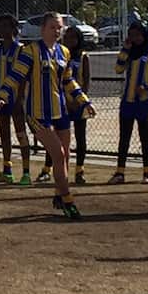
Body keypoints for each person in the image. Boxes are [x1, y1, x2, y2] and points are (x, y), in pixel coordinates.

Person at [0, 11, 94, 219]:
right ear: (43, 29)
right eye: (53, 27)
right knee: (58, 154)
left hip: (60, 111)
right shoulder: (31, 51)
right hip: (38, 114)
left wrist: (84, 101)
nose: (57, 31)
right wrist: (2, 95)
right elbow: (15, 75)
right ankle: (67, 199)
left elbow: (68, 81)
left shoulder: (63, 52)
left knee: (65, 156)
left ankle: (58, 194)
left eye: (60, 27)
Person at [109, 21, 148, 184]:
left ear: (144, 34)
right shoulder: (129, 51)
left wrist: (147, 86)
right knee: (124, 136)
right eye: (132, 35)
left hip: (145, 101)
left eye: (138, 35)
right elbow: (119, 69)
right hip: (128, 100)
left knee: (145, 136)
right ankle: (120, 172)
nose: (135, 38)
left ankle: (147, 173)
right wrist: (125, 49)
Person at [0, 15, 33, 186]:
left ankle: (26, 172)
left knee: (21, 134)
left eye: (4, 26)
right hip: (1, 99)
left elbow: (24, 76)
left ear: (13, 29)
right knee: (4, 135)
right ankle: (7, 170)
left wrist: (20, 98)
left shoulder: (21, 50)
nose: (0, 30)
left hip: (15, 100)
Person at [42, 26, 91, 184]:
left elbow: (86, 80)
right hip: (61, 103)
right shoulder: (59, 54)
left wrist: (80, 101)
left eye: (73, 38)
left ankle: (79, 170)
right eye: (67, 37)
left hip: (77, 104)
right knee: (55, 138)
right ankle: (47, 168)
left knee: (80, 137)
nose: (70, 41)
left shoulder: (83, 56)